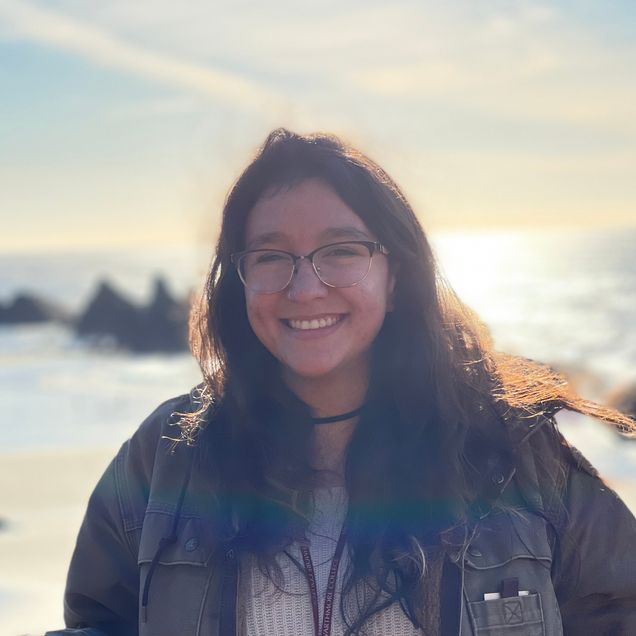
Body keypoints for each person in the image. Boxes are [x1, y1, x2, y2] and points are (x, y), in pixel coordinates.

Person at [46, 129, 636, 636]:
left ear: (396, 275)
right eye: (270, 256)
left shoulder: (514, 453)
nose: (305, 289)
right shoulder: (166, 455)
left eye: (342, 251)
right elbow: (97, 622)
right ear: (239, 281)